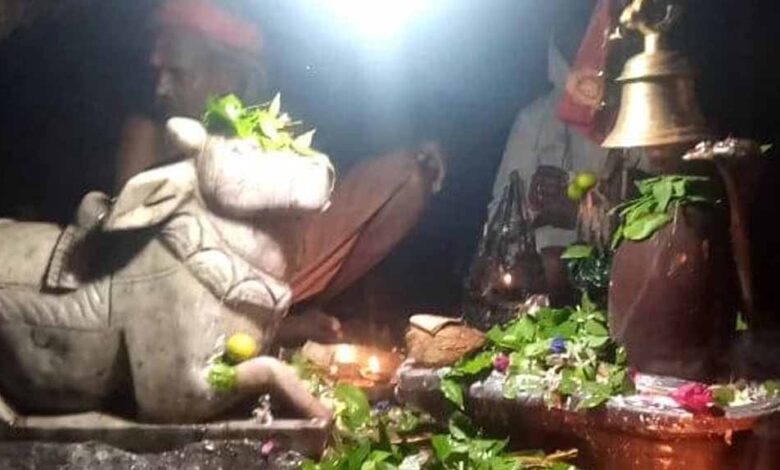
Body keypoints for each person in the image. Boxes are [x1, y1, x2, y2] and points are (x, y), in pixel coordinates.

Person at [115, 0, 446, 344]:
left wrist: (416, 147)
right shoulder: (148, 133)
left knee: (408, 175)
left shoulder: (261, 132)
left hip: (265, 273)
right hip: (182, 296)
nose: (161, 89)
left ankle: (290, 313)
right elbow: (128, 265)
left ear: (227, 74)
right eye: (160, 73)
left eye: (178, 74)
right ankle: (269, 328)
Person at [487, 1, 611, 301]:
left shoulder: (635, 116)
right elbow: (497, 222)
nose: (581, 37)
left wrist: (578, 215)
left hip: (613, 274)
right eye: (571, 22)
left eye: (589, 22)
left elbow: (655, 222)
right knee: (549, 261)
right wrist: (530, 204)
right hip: (538, 285)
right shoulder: (534, 120)